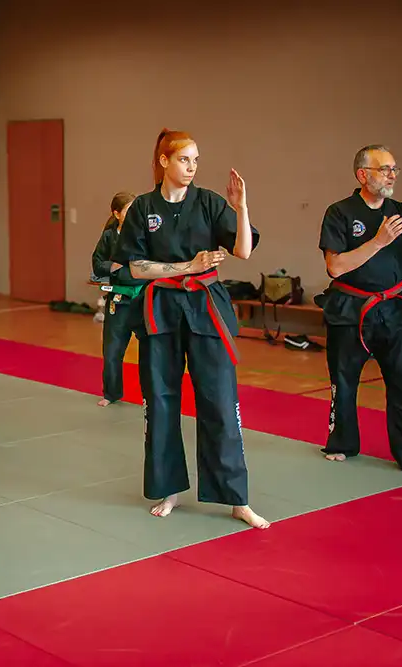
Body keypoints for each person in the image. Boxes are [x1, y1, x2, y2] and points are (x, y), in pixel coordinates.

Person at [113, 129, 269, 529]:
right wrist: (187, 267)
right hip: (161, 309)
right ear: (164, 161)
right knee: (161, 400)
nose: (192, 167)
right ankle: (169, 489)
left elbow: (244, 250)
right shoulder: (142, 208)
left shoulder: (210, 203)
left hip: (205, 306)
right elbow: (134, 266)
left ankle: (236, 498)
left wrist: (241, 205)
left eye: (196, 160)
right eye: (185, 159)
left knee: (219, 399)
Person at [317, 144, 402, 479]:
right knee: (343, 382)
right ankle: (342, 443)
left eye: (394, 169)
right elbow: (335, 267)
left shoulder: (401, 213)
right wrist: (377, 241)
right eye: (384, 169)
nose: (392, 175)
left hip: (393, 309)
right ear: (363, 175)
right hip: (349, 309)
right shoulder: (340, 212)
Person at [91, 191, 138, 407]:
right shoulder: (109, 236)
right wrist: (112, 266)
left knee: (152, 351)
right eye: (129, 211)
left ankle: (153, 393)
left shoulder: (145, 235)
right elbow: (97, 263)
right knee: (112, 350)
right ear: (117, 214)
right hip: (118, 299)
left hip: (142, 298)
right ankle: (111, 393)